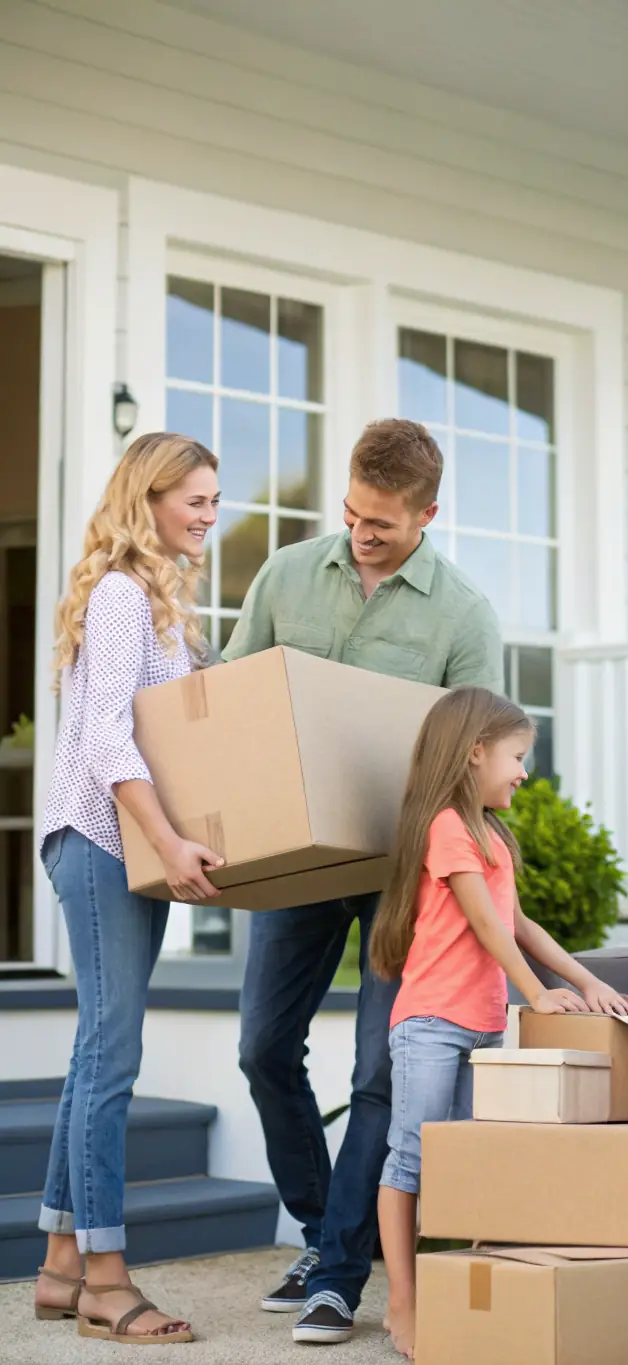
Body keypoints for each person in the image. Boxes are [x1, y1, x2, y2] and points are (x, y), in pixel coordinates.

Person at [222, 419, 505, 1345]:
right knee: (264, 1046)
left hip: (400, 874)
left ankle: (340, 1273)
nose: (360, 531)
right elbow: (234, 696)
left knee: (380, 1069)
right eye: (351, 512)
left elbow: (477, 761)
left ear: (428, 513)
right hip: (298, 858)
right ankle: (320, 1231)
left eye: (381, 521)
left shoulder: (464, 616)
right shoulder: (288, 574)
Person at [369, 687, 628, 1359]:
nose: (523, 771)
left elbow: (518, 923)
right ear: (475, 751)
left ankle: (454, 1289)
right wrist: (536, 997)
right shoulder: (447, 828)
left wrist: (585, 979)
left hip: (482, 1026)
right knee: (413, 1156)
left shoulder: (492, 834)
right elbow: (484, 922)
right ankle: (403, 1301)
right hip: (433, 1022)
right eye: (517, 756)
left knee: (462, 1162)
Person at [34, 433, 223, 1344]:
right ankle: (108, 1277)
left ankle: (62, 1264)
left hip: (125, 847)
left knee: (92, 1053)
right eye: (195, 498)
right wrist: (167, 839)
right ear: (147, 499)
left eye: (214, 500)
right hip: (105, 839)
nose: (209, 515)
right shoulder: (117, 596)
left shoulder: (157, 606)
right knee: (113, 1055)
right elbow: (111, 737)